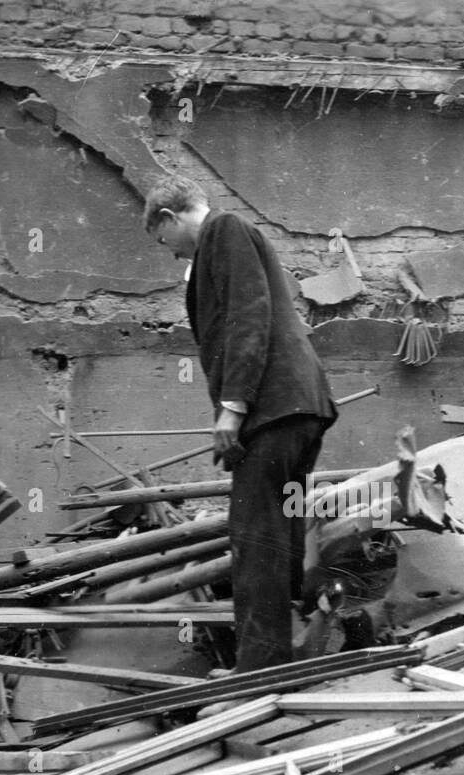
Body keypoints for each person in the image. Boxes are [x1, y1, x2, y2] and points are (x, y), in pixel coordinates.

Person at [143, 176, 338, 672]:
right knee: (280, 530)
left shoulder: (224, 229)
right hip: (294, 405)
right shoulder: (223, 241)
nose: (169, 254)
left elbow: (250, 316)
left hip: (274, 406)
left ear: (169, 217)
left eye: (162, 240)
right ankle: (286, 655)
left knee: (254, 535)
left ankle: (258, 669)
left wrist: (233, 408)